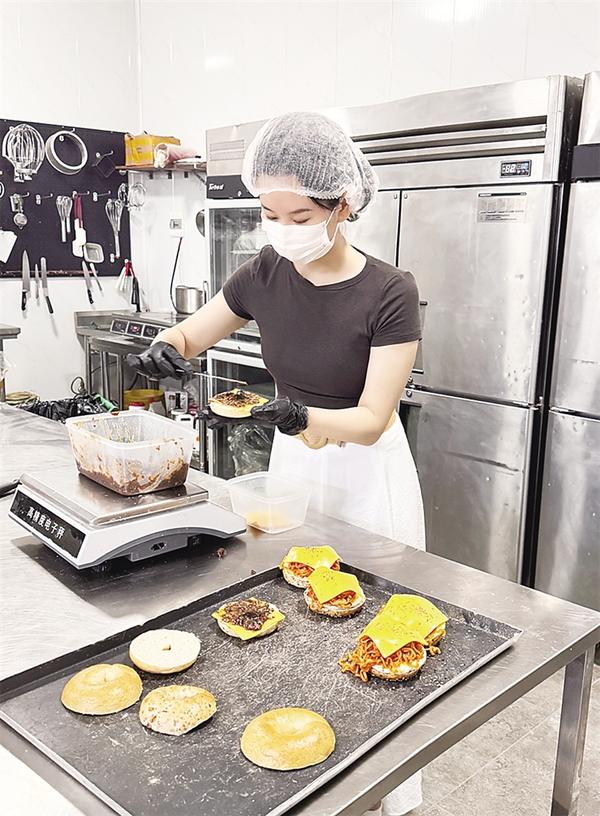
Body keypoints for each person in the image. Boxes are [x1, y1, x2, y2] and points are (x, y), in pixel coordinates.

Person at [128, 111, 425, 816]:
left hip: (366, 471)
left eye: (299, 216)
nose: (282, 229)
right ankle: (301, 767)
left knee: (376, 629)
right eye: (269, 213)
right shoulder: (265, 271)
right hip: (295, 463)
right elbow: (194, 333)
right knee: (291, 616)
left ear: (342, 205)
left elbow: (372, 417)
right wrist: (168, 347)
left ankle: (388, 791)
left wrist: (302, 418)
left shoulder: (390, 291)